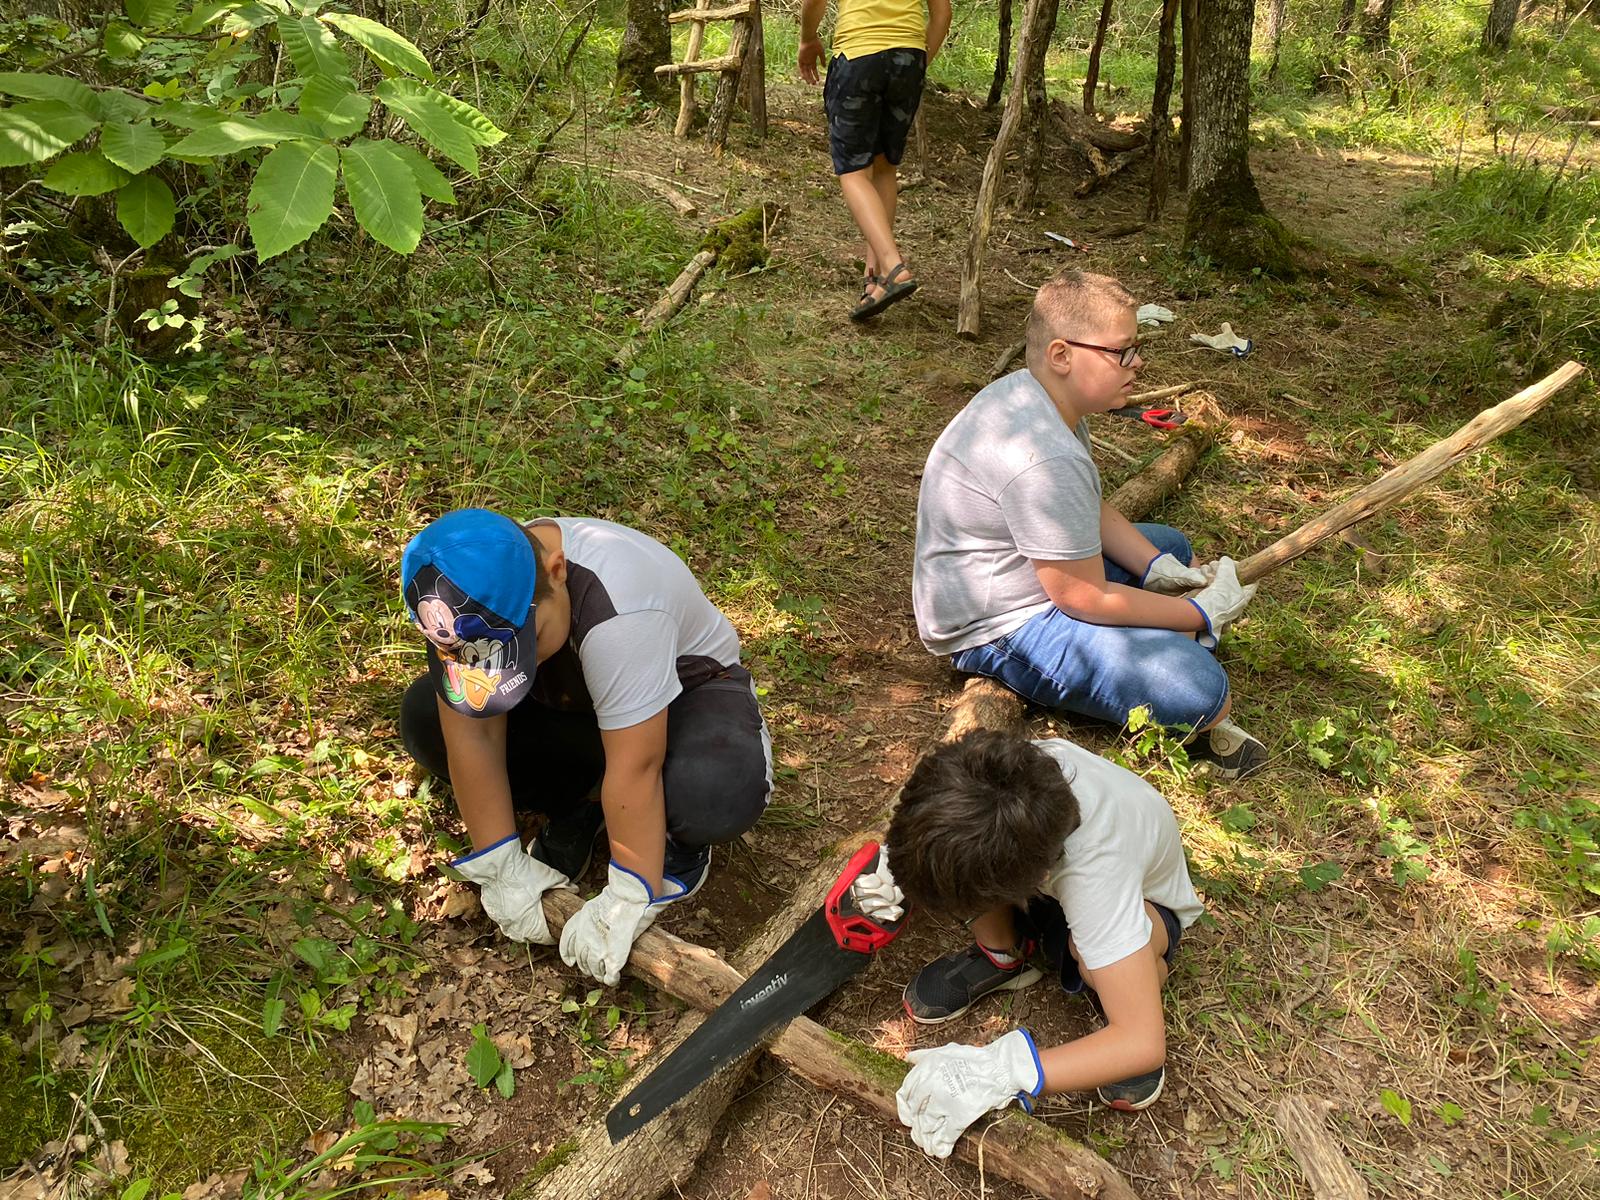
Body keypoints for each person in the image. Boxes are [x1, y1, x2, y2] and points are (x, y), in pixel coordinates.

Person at [912, 269, 1267, 778]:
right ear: (1062, 355)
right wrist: (1200, 612)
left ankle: (1157, 620)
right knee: (1199, 691)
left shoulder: (1042, 400)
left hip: (1022, 578)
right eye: (1121, 351)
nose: (1137, 362)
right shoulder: (1044, 454)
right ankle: (1030, 667)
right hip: (996, 621)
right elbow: (1080, 598)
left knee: (1170, 544)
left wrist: (1159, 568)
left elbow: (1088, 508)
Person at [398, 508, 772, 985]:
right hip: (581, 702)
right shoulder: (457, 597)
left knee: (714, 790)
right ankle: (584, 805)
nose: (490, 668)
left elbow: (637, 765)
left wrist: (628, 893)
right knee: (425, 718)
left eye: (521, 642)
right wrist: (499, 864)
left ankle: (678, 844)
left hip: (686, 699)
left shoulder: (622, 604)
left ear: (556, 572)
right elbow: (471, 733)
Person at [886, 730, 1204, 1154]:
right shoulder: (1004, 773)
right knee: (955, 870)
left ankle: (1135, 976)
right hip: (1051, 876)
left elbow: (1143, 1043)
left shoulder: (1096, 872)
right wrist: (889, 873)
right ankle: (1005, 955)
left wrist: (1007, 1071)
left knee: (1089, 961)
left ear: (1030, 883)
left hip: (1146, 904)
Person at [797, 0, 951, 321]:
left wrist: (808, 38)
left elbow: (814, 2)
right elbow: (942, 15)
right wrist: (916, 63)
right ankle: (876, 280)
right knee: (884, 167)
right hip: (908, 58)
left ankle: (893, 266)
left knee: (853, 171)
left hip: (858, 57)